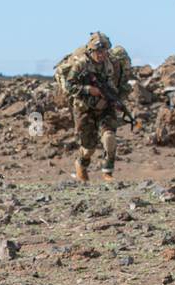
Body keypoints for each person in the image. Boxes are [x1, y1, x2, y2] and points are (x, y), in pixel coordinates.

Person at [56, 31, 132, 182]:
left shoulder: (110, 65)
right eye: (98, 51)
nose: (101, 54)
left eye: (104, 51)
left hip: (104, 106)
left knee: (109, 136)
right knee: (88, 148)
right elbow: (70, 85)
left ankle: (107, 172)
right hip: (84, 108)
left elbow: (114, 85)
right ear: (91, 50)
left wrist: (114, 100)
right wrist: (89, 90)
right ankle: (81, 164)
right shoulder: (81, 64)